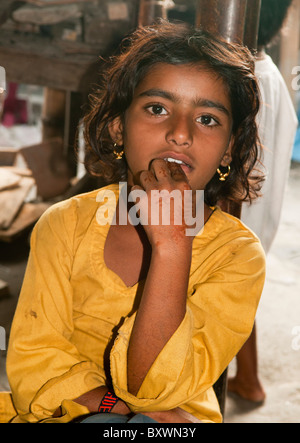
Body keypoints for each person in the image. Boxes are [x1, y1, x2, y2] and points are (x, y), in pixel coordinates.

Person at [6, 21, 266, 424]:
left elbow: (155, 390)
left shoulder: (237, 255)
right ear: (118, 128)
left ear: (229, 150)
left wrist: (173, 245)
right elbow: (37, 362)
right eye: (157, 108)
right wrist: (116, 409)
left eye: (208, 119)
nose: (180, 133)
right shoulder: (65, 225)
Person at [228, 0, 298, 403]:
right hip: (260, 216)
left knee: (226, 293)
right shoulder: (268, 71)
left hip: (242, 213)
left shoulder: (245, 78)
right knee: (239, 293)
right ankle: (249, 380)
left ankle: (247, 381)